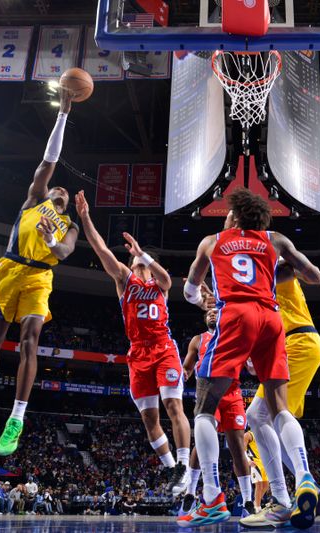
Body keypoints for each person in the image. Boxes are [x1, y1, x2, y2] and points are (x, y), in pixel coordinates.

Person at [179, 188, 320, 529]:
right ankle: (303, 476)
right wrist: (281, 268)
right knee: (278, 408)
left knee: (203, 407)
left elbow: (189, 290)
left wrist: (202, 299)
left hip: (236, 316)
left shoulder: (212, 242)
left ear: (235, 216)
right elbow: (314, 275)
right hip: (271, 320)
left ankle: (212, 497)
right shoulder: (275, 239)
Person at [0, 88, 80, 457]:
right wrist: (62, 115)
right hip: (9, 270)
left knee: (30, 340)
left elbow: (63, 252)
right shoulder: (34, 199)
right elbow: (49, 159)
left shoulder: (68, 225)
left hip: (40, 275)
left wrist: (49, 242)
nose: (58, 188)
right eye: (55, 185)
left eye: (62, 189)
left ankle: (17, 419)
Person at [74, 189, 191, 495]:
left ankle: (184, 465)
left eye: (141, 261)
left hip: (164, 348)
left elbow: (165, 279)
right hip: (138, 354)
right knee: (149, 418)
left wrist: (144, 253)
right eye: (135, 260)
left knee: (173, 405)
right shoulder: (125, 279)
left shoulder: (160, 284)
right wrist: (86, 217)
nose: (138, 264)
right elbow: (102, 251)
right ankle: (172, 471)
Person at [247, 259, 320, 515]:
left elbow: (296, 270)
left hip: (298, 341)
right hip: (289, 346)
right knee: (265, 418)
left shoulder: (274, 267)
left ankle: (287, 496)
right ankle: (313, 490)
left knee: (260, 415)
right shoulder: (254, 294)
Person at [180, 308, 253, 517]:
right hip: (208, 391)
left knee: (238, 446)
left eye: (215, 312)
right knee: (200, 443)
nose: (212, 314)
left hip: (232, 394)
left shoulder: (234, 336)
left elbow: (249, 364)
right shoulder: (198, 340)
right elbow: (187, 366)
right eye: (208, 313)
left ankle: (248, 500)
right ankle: (191, 493)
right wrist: (182, 375)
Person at [243, 430, 269, 512]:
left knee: (266, 485)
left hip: (264, 462)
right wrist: (248, 461)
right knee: (259, 485)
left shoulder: (262, 434)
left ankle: (256, 503)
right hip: (255, 462)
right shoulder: (248, 435)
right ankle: (257, 508)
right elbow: (243, 449)